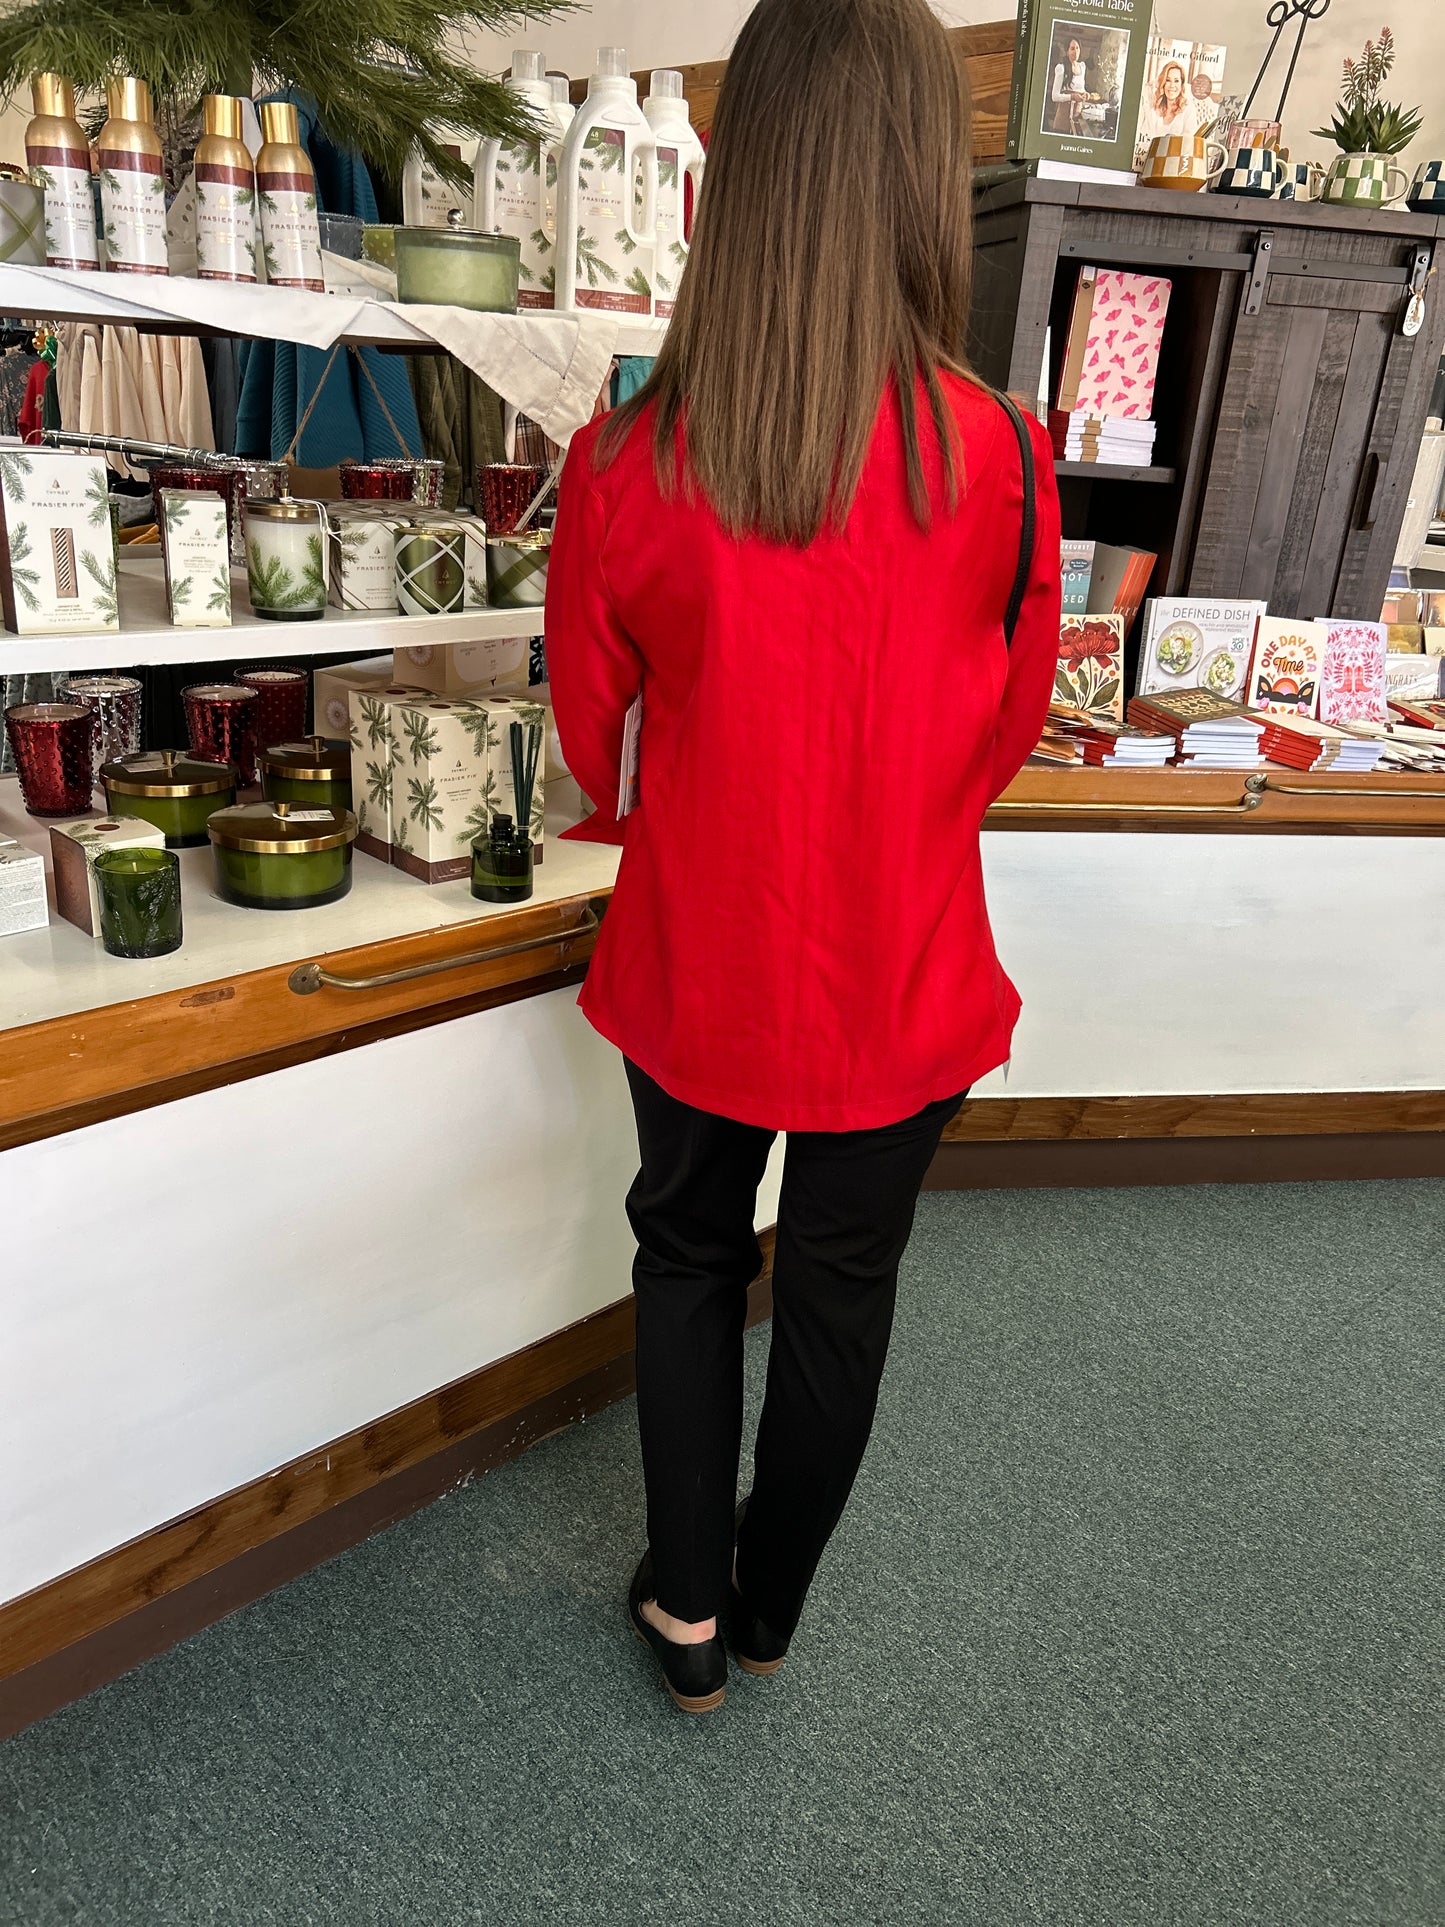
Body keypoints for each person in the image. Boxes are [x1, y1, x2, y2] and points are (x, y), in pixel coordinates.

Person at [547, 0, 1061, 1715]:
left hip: (703, 942)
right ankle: (767, 1609)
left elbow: (592, 750)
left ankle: (685, 1606)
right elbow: (994, 741)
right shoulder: (1001, 458)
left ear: (736, 170)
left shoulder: (629, 458)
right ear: (927, 174)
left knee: (688, 1252)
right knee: (843, 1291)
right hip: (901, 951)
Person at [1137, 59, 1200, 147]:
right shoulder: (1154, 107)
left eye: (1176, 81)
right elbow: (1143, 138)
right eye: (1168, 80)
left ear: (1182, 85)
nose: (1172, 86)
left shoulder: (1188, 109)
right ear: (1163, 83)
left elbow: (1188, 144)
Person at [1050, 35, 1097, 135]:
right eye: (1072, 49)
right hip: (1063, 119)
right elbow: (1054, 96)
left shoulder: (1082, 66)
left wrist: (1086, 95)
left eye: (1077, 48)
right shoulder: (1061, 68)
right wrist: (1072, 96)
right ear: (1067, 51)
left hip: (1077, 118)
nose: (1076, 52)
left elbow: (1081, 89)